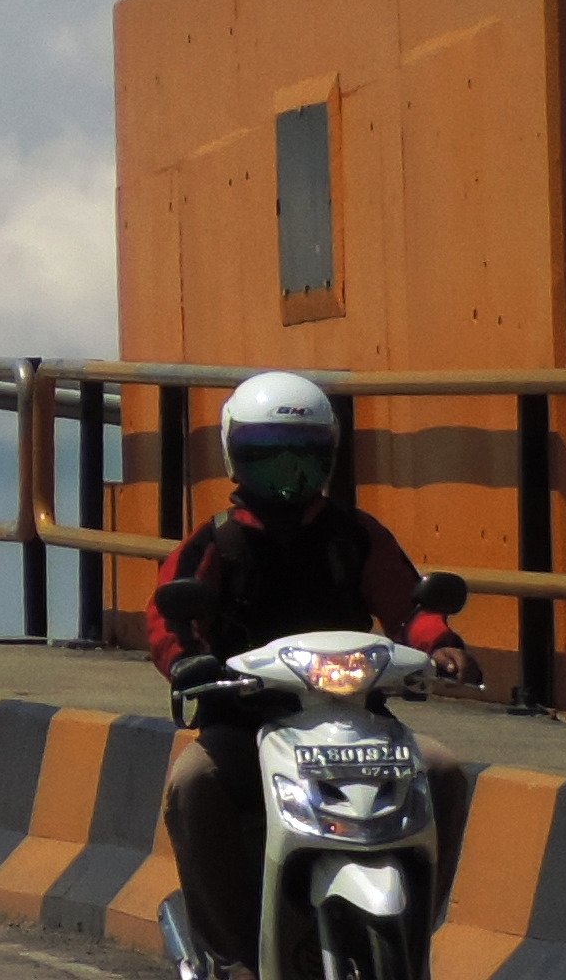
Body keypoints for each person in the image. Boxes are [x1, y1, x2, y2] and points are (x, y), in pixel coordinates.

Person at [150, 372, 459, 971]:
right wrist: (186, 660)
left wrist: (440, 642)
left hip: (353, 717)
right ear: (235, 457)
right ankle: (233, 947)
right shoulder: (215, 542)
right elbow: (167, 615)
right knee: (194, 785)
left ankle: (420, 916)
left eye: (304, 456)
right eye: (267, 457)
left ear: (330, 458)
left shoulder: (354, 534)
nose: (287, 475)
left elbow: (409, 605)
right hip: (246, 722)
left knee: (442, 770)